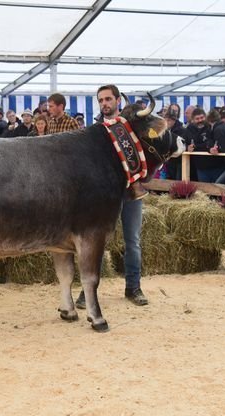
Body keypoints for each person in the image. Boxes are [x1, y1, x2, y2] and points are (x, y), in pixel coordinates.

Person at [75, 84, 148, 309]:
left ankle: (133, 287)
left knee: (132, 241)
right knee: (95, 241)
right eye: (101, 100)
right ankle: (87, 291)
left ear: (118, 101)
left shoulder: (131, 127)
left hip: (131, 191)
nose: (104, 103)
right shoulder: (95, 131)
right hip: (103, 195)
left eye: (108, 99)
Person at [186, 108, 224, 183]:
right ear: (193, 120)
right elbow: (188, 143)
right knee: (204, 189)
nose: (200, 120)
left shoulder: (210, 126)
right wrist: (188, 147)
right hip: (201, 167)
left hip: (216, 165)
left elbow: (212, 142)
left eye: (202, 117)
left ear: (205, 117)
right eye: (197, 119)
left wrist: (197, 146)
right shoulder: (189, 129)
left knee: (218, 188)